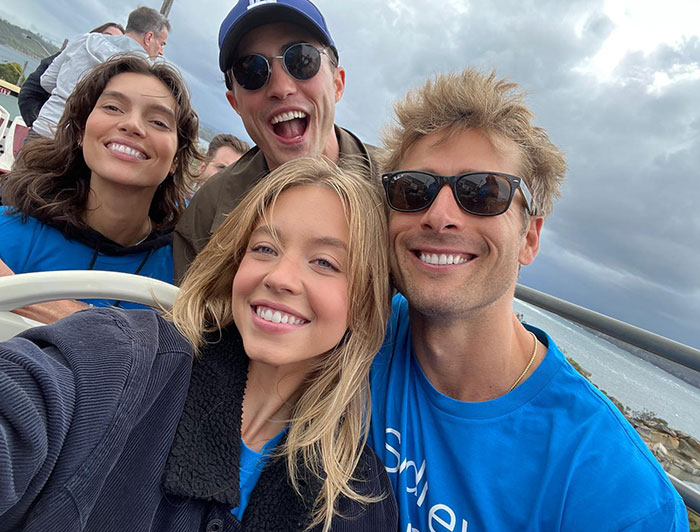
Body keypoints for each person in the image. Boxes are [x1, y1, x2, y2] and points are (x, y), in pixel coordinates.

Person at [0, 156, 398, 531]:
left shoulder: (361, 500)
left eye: (325, 262)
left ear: (364, 303)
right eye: (264, 249)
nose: (281, 277)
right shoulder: (121, 357)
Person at [369, 69, 689, 531]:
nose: (439, 216)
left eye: (482, 193)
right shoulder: (354, 334)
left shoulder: (616, 496)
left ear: (529, 239)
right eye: (413, 190)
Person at [174, 0, 378, 284]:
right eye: (251, 70)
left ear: (337, 84)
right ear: (235, 103)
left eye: (302, 60)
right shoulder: (209, 211)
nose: (281, 88)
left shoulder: (400, 191)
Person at [0, 54, 198, 322]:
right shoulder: (15, 231)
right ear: (81, 131)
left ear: (176, 159)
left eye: (159, 122)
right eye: (113, 107)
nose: (132, 125)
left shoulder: (184, 269)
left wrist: (56, 311)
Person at [32, 6, 170, 138]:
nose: (161, 52)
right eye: (162, 43)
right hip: (83, 142)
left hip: (44, 126)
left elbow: (47, 80)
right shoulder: (142, 70)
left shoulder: (85, 40)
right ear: (149, 37)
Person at [18, 22, 125, 127]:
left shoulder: (111, 75)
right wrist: (39, 121)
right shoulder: (65, 58)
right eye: (107, 36)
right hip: (45, 128)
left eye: (115, 41)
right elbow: (30, 91)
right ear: (94, 34)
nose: (108, 42)